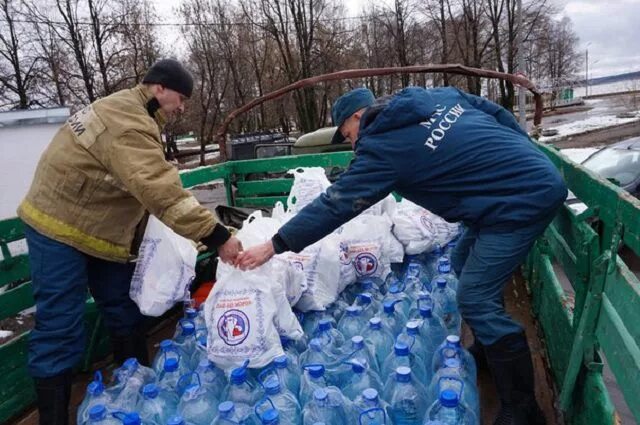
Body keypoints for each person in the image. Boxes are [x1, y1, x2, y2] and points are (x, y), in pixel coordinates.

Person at [236, 86, 567, 425]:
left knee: (474, 297)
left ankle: (523, 409)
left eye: (347, 134)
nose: (351, 143)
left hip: (520, 201)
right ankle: (486, 347)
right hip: (518, 186)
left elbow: (336, 203)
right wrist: (525, 153)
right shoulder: (436, 97)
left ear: (357, 117)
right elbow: (495, 111)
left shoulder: (384, 148)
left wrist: (275, 244)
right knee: (460, 260)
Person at [18, 59, 242, 425]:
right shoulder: (128, 121)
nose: (182, 107)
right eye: (181, 98)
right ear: (159, 88)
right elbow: (158, 188)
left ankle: (134, 388)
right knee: (60, 326)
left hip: (99, 230)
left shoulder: (135, 112)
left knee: (124, 307)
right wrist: (216, 236)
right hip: (57, 227)